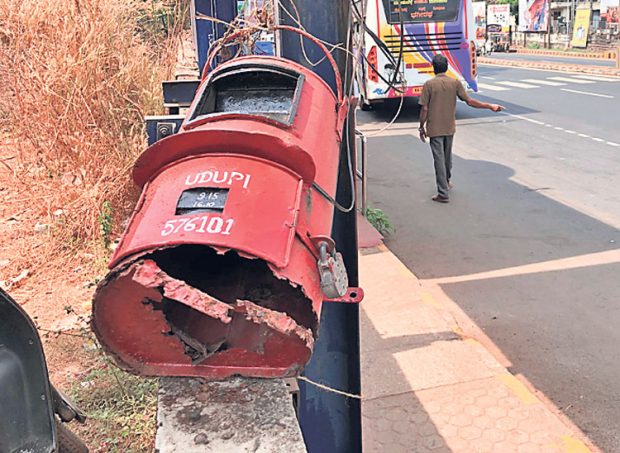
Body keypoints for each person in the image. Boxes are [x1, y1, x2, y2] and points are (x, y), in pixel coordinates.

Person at [418, 54, 504, 203]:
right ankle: (447, 181)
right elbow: (470, 101)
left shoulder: (429, 85)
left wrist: (421, 126)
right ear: (446, 67)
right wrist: (489, 106)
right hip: (449, 126)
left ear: (433, 68)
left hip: (434, 127)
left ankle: (443, 193)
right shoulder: (455, 83)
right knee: (447, 156)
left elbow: (424, 109)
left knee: (439, 159)